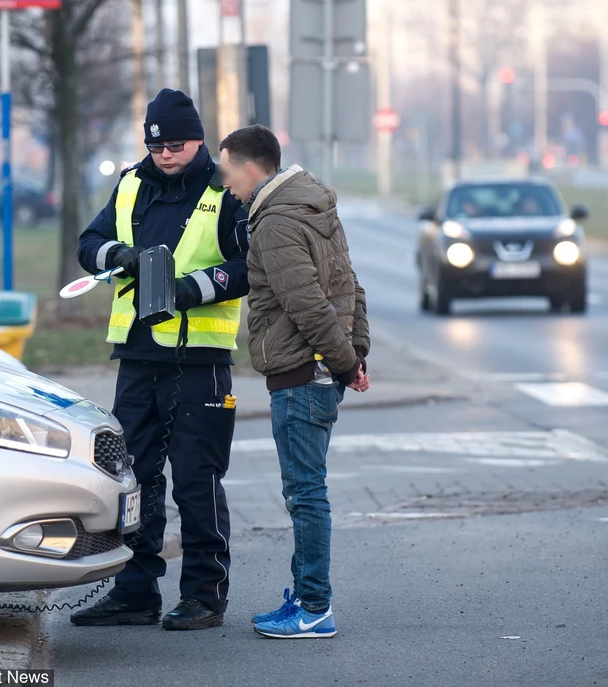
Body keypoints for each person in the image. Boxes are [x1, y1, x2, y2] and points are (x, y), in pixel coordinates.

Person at [70, 89, 249, 631]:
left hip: (200, 359)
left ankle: (203, 594)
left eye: (175, 144)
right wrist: (117, 255)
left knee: (197, 478)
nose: (165, 154)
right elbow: (89, 242)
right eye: (156, 145)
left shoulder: (226, 189)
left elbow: (248, 265)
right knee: (135, 476)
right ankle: (134, 591)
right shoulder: (131, 182)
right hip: (139, 354)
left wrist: (191, 288)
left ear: (198, 139)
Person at [218, 124, 370, 639]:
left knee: (305, 494)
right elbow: (350, 284)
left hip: (301, 374)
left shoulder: (276, 224)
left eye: (227, 171)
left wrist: (347, 362)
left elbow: (306, 304)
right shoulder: (314, 207)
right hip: (320, 370)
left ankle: (314, 607)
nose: (225, 184)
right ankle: (304, 598)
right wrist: (356, 355)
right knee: (307, 490)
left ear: (251, 167)